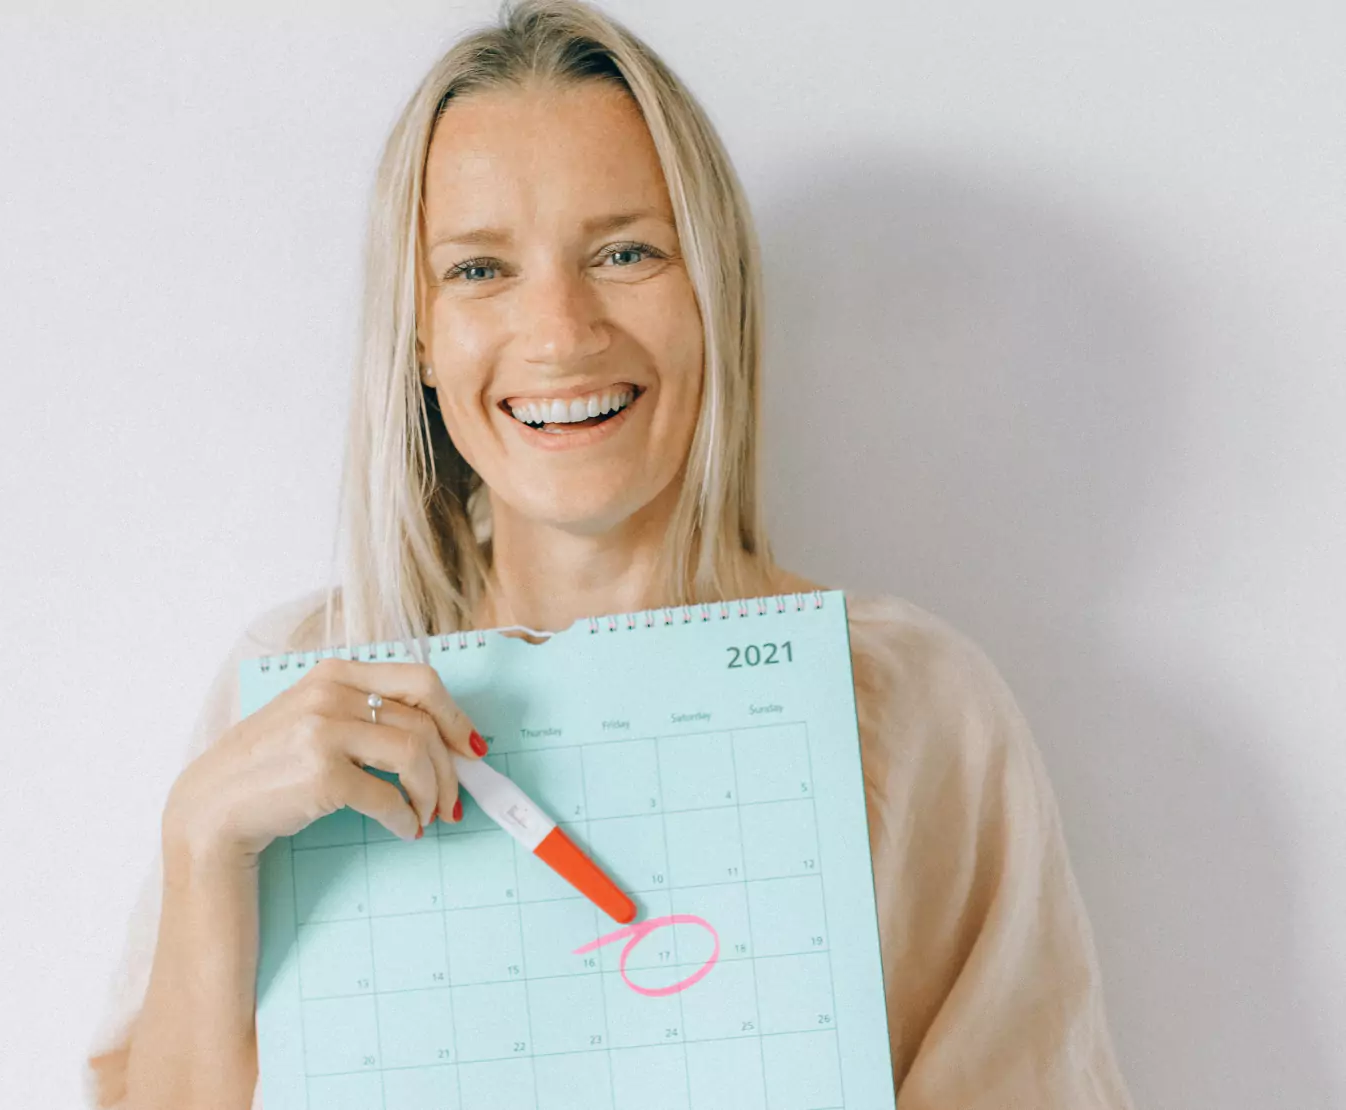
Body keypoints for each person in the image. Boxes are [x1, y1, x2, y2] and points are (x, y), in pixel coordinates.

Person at [85, 2, 1136, 1107]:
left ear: (712, 295)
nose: (559, 330)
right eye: (480, 270)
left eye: (625, 250)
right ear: (419, 340)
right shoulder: (306, 680)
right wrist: (202, 848)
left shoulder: (911, 703)